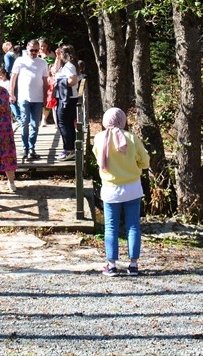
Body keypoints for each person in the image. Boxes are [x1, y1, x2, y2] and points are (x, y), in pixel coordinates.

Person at [93, 107, 149, 276]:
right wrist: (135, 165)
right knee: (133, 226)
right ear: (123, 120)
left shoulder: (99, 138)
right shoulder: (131, 138)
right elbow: (145, 162)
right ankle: (133, 265)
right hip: (132, 187)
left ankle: (111, 265)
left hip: (110, 189)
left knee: (111, 227)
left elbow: (98, 159)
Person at [9, 39, 49, 161]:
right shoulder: (20, 61)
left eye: (36, 50)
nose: (34, 53)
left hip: (37, 98)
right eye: (32, 50)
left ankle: (32, 148)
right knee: (24, 122)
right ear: (27, 49)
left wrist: (45, 97)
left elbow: (45, 81)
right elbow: (13, 78)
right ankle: (25, 148)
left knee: (35, 124)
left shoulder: (42, 62)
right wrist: (11, 93)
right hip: (23, 97)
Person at [53, 45, 81, 158]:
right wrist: (57, 58)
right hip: (66, 97)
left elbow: (73, 80)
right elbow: (54, 70)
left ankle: (68, 149)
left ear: (64, 54)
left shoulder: (69, 66)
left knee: (63, 123)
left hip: (67, 98)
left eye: (60, 53)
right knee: (68, 123)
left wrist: (60, 82)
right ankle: (71, 148)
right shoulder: (67, 65)